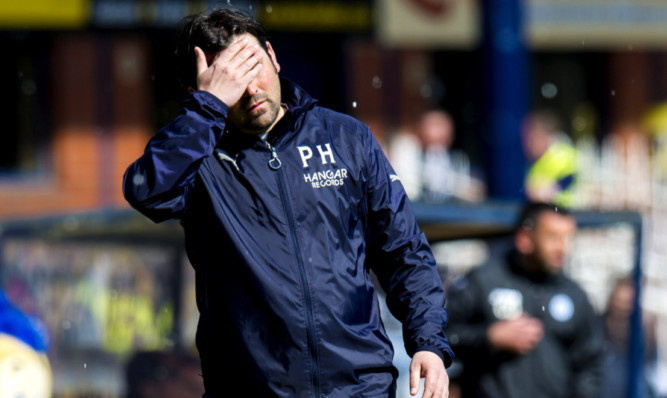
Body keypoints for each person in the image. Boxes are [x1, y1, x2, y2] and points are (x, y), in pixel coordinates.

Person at [123, 8, 453, 398]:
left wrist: (428, 342)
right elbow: (147, 192)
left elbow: (404, 252)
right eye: (230, 80)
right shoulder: (198, 157)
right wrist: (207, 108)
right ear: (202, 91)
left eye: (254, 66)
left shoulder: (347, 137)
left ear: (273, 56)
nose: (250, 89)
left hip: (360, 385)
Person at [445, 202, 603, 398]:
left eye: (568, 238)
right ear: (525, 239)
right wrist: (488, 338)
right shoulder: (483, 280)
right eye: (553, 237)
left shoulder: (575, 295)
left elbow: (591, 365)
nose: (563, 247)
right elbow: (444, 336)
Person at [522, 111, 578, 207]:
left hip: (566, 213)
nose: (528, 144)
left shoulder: (564, 154)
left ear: (543, 135)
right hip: (546, 213)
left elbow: (572, 179)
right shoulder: (535, 163)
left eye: (532, 139)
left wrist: (551, 189)